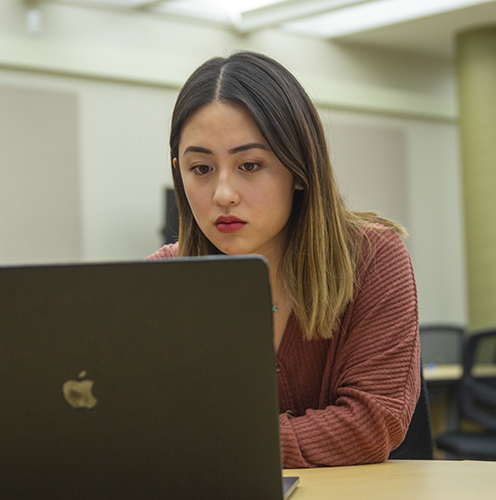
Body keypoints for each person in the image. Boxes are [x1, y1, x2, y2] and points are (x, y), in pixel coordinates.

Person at [149, 51, 421, 468]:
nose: (223, 194)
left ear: (298, 168)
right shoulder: (159, 280)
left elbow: (372, 421)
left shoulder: (372, 258)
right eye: (201, 169)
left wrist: (219, 445)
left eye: (250, 165)